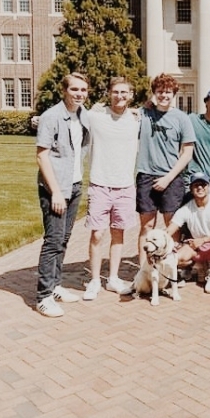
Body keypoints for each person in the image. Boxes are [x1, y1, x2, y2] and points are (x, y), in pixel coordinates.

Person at [35, 73, 90, 317]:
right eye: (75, 89)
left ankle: (56, 285)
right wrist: (55, 192)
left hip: (75, 184)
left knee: (64, 239)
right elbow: (41, 155)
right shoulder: (52, 117)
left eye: (83, 90)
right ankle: (44, 296)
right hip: (55, 188)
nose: (79, 94)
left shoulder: (82, 114)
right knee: (53, 240)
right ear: (64, 90)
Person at [83, 77, 139, 301]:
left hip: (125, 185)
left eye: (124, 92)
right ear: (109, 93)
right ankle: (95, 280)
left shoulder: (137, 120)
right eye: (116, 92)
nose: (120, 96)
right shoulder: (95, 117)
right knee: (97, 234)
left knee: (119, 233)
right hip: (100, 184)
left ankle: (113, 278)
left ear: (131, 95)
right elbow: (71, 114)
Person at [136, 73, 195, 265]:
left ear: (174, 94)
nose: (164, 95)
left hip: (172, 178)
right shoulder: (143, 114)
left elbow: (187, 152)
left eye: (168, 92)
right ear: (154, 93)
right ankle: (145, 268)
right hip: (146, 176)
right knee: (146, 226)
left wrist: (168, 178)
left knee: (172, 226)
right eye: (160, 92)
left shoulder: (181, 118)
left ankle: (171, 267)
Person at [166, 172, 210, 294]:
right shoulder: (186, 209)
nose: (200, 188)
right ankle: (199, 264)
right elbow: (170, 229)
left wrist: (203, 240)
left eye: (203, 184)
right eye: (196, 185)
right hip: (196, 247)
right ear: (191, 189)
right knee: (177, 259)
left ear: (208, 187)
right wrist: (156, 238)